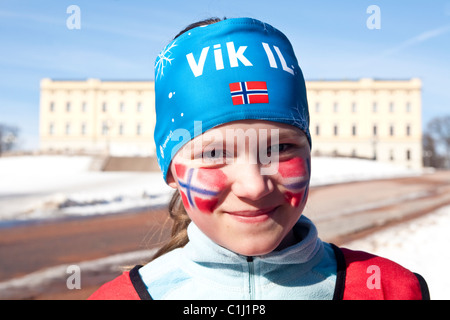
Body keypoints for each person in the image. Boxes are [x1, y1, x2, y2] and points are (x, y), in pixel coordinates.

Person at [89, 17, 429, 300]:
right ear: (172, 173)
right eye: (213, 153)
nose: (254, 186)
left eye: (280, 148)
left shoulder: (390, 289)